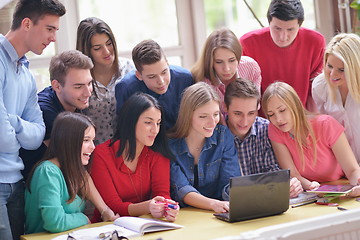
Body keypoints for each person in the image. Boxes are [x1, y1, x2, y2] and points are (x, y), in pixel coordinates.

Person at [0, 0, 65, 239]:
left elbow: (37, 135)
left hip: (16, 182)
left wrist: (13, 122)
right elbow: (3, 139)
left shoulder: (26, 74)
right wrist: (13, 133)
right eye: (50, 29)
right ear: (27, 23)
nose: (54, 38)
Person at [91, 92, 179, 222]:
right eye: (148, 122)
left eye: (158, 123)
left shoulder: (158, 152)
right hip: (108, 226)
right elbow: (112, 205)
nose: (155, 130)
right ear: (130, 122)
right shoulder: (101, 154)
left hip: (145, 224)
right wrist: (148, 207)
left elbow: (161, 193)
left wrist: (167, 207)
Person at [25, 112, 118, 234]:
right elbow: (55, 222)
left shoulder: (74, 170)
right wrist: (83, 218)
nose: (93, 147)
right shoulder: (47, 172)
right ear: (69, 141)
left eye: (93, 140)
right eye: (86, 140)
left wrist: (105, 211)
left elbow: (85, 180)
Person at [262, 81, 360, 197]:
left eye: (282, 110)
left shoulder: (326, 124)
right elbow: (293, 174)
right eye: (271, 114)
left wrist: (356, 186)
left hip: (342, 187)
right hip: (311, 194)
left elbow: (352, 170)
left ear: (295, 105)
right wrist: (311, 186)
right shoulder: (275, 130)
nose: (278, 119)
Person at [20, 50, 94, 180]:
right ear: (57, 86)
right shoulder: (45, 112)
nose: (88, 93)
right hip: (32, 184)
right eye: (78, 87)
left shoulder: (76, 101)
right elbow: (73, 161)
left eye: (89, 83)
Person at [168, 82, 240, 213]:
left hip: (219, 211)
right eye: (203, 116)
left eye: (216, 114)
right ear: (188, 115)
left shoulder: (223, 137)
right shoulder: (170, 145)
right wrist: (213, 204)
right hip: (184, 215)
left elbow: (231, 182)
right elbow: (182, 189)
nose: (212, 122)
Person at [240, 0, 325, 111]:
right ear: (269, 22)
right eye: (277, 28)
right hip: (263, 121)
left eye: (290, 29)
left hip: (302, 116)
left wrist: (311, 123)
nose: (283, 37)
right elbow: (244, 95)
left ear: (299, 25)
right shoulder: (247, 44)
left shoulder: (315, 42)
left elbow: (314, 92)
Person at [224, 78, 303, 198]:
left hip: (269, 200)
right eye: (238, 113)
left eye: (251, 113)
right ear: (225, 108)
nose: (244, 122)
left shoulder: (267, 129)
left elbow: (274, 173)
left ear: (258, 108)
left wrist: (290, 185)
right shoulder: (217, 137)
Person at [76, 17, 135, 145]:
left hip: (129, 150)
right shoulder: (80, 79)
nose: (107, 51)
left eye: (109, 43)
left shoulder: (130, 69)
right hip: (95, 153)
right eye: (97, 48)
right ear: (87, 51)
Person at [115, 39, 193, 130]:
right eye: (152, 77)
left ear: (167, 63)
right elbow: (125, 129)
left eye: (164, 72)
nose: (161, 81)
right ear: (139, 75)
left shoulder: (185, 78)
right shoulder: (125, 88)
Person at [192, 28, 261, 120]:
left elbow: (254, 108)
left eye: (232, 60)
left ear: (238, 57)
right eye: (219, 62)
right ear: (210, 62)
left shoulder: (251, 68)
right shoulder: (201, 81)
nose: (226, 69)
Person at [312, 33, 360, 164]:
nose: (333, 74)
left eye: (342, 70)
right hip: (341, 167)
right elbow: (325, 131)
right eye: (329, 66)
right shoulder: (320, 86)